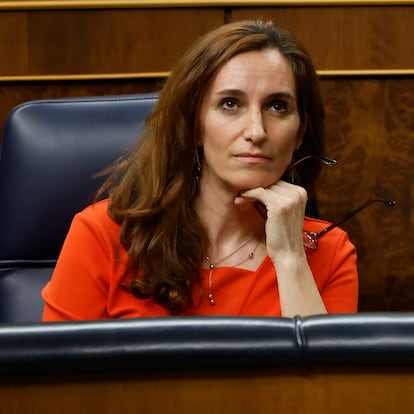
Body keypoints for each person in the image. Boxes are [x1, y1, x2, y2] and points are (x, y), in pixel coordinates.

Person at [41, 20, 358, 321]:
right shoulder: (102, 236)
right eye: (230, 104)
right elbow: (52, 375)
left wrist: (291, 258)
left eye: (277, 106)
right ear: (194, 126)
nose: (256, 131)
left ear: (300, 133)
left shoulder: (331, 253)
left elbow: (327, 379)